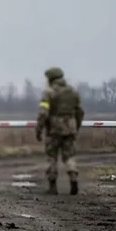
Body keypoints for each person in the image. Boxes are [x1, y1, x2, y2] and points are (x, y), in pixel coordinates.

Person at [36, 66, 84, 195]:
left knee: (51, 157)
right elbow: (79, 112)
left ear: (50, 79)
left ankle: (52, 186)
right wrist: (76, 126)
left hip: (54, 129)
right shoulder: (73, 92)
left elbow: (43, 113)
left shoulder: (49, 92)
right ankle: (73, 177)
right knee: (69, 157)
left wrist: (39, 129)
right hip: (70, 128)